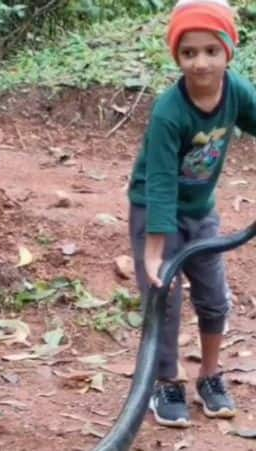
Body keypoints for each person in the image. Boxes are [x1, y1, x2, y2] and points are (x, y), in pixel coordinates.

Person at [126, 0, 255, 428]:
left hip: (201, 212)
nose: (200, 63)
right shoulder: (169, 111)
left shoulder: (236, 91)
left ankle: (210, 374)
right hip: (155, 211)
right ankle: (166, 380)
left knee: (213, 295)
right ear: (177, 56)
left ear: (228, 52)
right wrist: (154, 249)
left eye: (211, 51)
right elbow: (161, 182)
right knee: (163, 296)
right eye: (188, 52)